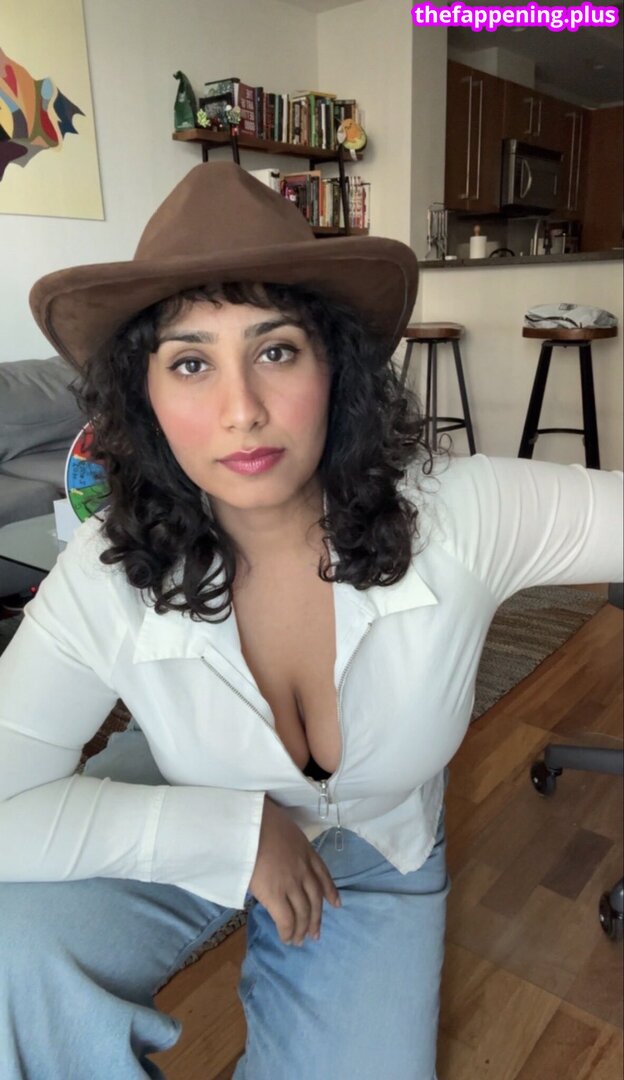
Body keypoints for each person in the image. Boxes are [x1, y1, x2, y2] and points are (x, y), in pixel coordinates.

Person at [0, 162, 621, 1080]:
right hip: (184, 795)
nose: (242, 410)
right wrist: (233, 836)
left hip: (377, 846)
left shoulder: (460, 515)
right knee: (12, 956)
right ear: (145, 397)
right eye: (191, 362)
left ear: (335, 365)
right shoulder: (105, 570)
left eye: (277, 351)